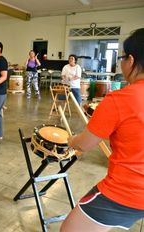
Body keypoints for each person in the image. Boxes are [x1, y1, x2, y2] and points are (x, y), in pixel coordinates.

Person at [61, 28, 144, 232]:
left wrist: (71, 140)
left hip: (128, 191)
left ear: (131, 60)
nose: (121, 63)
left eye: (122, 58)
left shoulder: (121, 99)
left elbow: (85, 144)